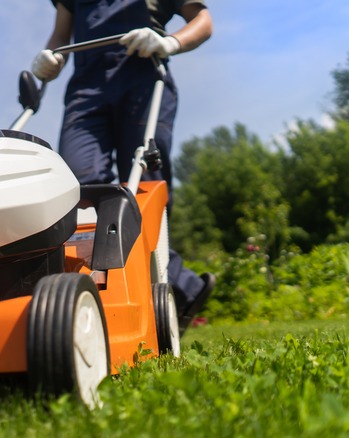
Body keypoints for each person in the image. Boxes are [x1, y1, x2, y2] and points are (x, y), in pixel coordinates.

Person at [32, 0, 215, 335]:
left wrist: (170, 42)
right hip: (86, 90)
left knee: (144, 185)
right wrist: (49, 58)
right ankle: (169, 287)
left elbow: (202, 21)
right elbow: (61, 36)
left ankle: (158, 290)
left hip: (143, 77)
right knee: (79, 190)